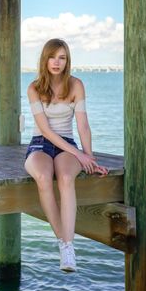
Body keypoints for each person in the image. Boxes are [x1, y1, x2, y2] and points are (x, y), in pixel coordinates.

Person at [24, 38, 108, 272]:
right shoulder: (34, 88)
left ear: (67, 61)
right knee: (43, 177)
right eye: (52, 57)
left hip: (67, 145)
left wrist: (88, 157)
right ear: (45, 59)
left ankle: (68, 247)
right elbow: (46, 131)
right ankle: (63, 242)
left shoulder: (76, 85)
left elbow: (83, 126)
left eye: (62, 57)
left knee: (66, 178)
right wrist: (79, 155)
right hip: (40, 144)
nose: (56, 62)